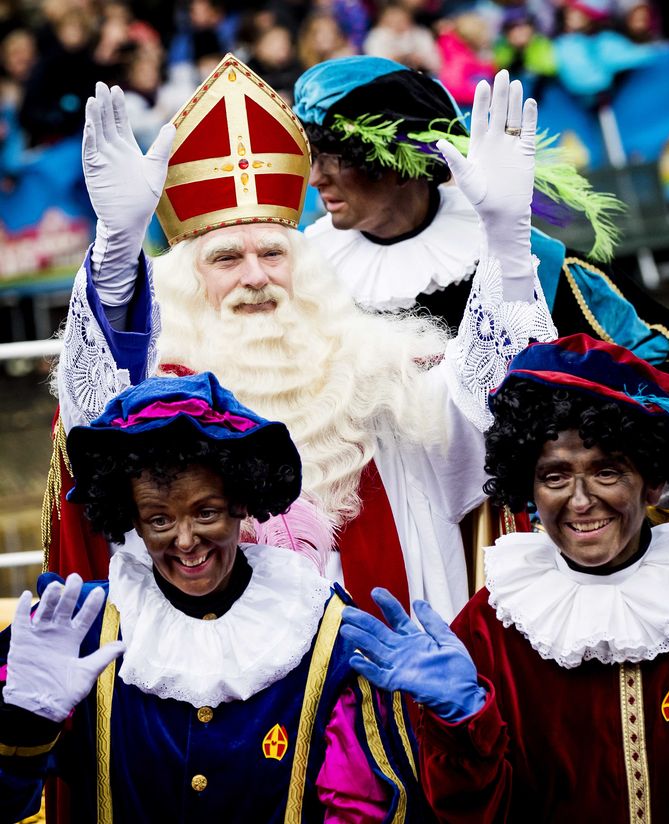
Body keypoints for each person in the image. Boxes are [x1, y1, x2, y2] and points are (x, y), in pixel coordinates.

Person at [46, 54, 555, 621]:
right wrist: (117, 248)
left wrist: (507, 239)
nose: (257, 276)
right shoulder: (155, 402)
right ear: (186, 283)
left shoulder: (379, 377)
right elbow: (90, 416)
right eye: (226, 259)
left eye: (273, 254)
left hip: (382, 683)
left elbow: (499, 407)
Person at [0, 372, 424, 823]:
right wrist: (25, 728)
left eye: (206, 512)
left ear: (241, 503)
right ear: (133, 522)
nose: (185, 540)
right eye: (159, 520)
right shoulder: (76, 632)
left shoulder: (325, 632)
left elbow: (370, 808)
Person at [338, 333, 669, 821]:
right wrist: (462, 722)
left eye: (607, 472)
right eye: (554, 477)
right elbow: (475, 812)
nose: (581, 499)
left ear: (650, 479)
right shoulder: (488, 625)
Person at [293, 55, 669, 382]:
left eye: (336, 158)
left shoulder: (524, 261)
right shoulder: (307, 273)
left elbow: (660, 363)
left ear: (401, 163)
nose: (315, 178)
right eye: (314, 156)